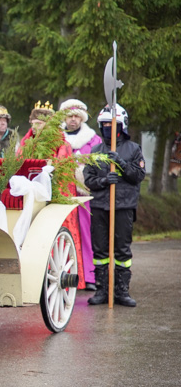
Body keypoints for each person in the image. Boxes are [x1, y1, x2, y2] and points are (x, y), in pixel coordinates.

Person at [83, 104, 145, 308]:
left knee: (122, 251)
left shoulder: (133, 149)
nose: (109, 128)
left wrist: (122, 164)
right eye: (105, 125)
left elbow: (138, 176)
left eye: (113, 124)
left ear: (122, 125)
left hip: (123, 207)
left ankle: (121, 290)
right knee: (100, 250)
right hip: (100, 206)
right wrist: (103, 182)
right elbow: (88, 179)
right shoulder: (95, 150)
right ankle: (102, 289)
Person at [60, 98, 102, 291]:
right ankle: (65, 276)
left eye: (77, 116)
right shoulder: (56, 137)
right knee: (63, 235)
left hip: (84, 193)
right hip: (62, 194)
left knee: (86, 234)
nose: (73, 120)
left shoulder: (94, 140)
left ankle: (89, 276)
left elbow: (99, 165)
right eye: (70, 116)